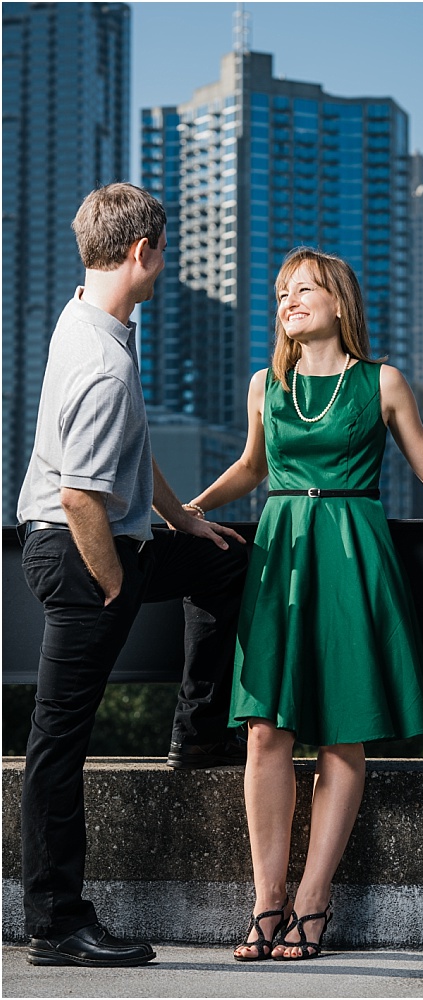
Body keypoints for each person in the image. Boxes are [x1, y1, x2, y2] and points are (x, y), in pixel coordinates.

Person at [185, 247, 423, 962]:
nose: (289, 300)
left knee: (341, 733)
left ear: (339, 304)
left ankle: (314, 900)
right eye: (283, 291)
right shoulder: (266, 383)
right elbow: (253, 468)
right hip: (281, 554)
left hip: (352, 551)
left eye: (306, 289)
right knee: (264, 730)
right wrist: (190, 510)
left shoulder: (381, 382)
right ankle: (267, 901)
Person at [16, 183, 248, 968]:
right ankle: (55, 923)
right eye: (164, 252)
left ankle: (198, 735)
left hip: (117, 537)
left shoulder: (93, 315)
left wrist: (182, 520)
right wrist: (115, 582)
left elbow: (124, 448)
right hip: (83, 553)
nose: (165, 265)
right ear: (143, 252)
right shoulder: (102, 362)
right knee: (58, 743)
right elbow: (80, 491)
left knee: (227, 562)